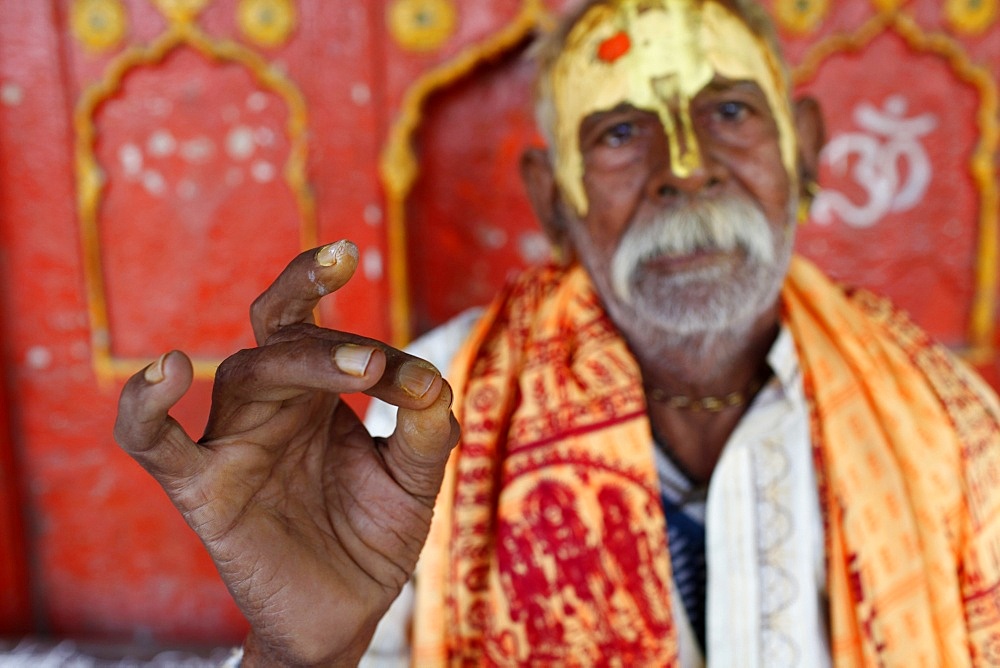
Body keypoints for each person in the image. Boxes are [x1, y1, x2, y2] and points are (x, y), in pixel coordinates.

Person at [114, 0, 1000, 665]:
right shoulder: (422, 415)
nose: (685, 172)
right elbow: (318, 634)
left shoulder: (947, 426)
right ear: (553, 200)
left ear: (803, 150)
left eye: (731, 112)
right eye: (620, 130)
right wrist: (302, 656)